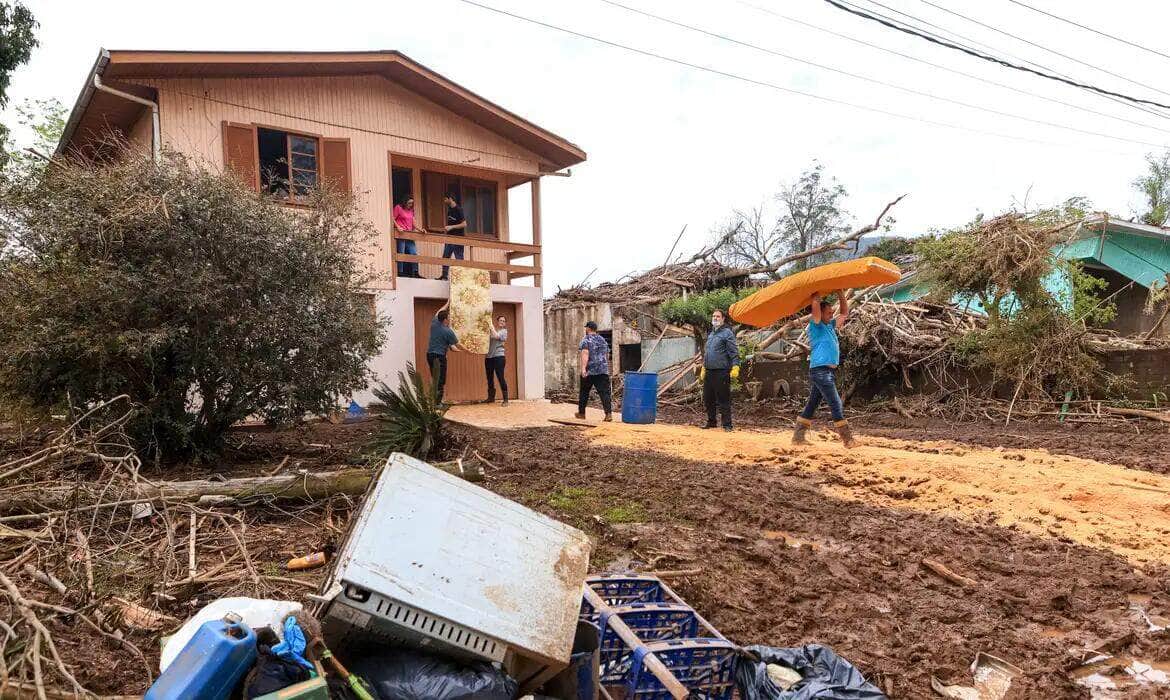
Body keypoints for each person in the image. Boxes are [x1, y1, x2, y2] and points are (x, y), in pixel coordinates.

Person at [792, 290, 855, 448]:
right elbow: (816, 312)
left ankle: (798, 437)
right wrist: (815, 299)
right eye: (828, 312)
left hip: (825, 371)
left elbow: (844, 313)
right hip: (820, 371)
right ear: (820, 312)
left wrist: (841, 293)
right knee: (835, 402)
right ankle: (848, 439)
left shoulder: (830, 326)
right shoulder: (816, 325)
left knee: (812, 404)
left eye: (831, 312)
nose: (831, 315)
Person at [700, 308, 740, 431]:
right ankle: (711, 421)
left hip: (721, 371)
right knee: (708, 398)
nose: (715, 318)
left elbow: (733, 351)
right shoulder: (711, 334)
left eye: (718, 316)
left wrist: (735, 366)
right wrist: (703, 367)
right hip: (709, 371)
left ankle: (727, 424)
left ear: (723, 319)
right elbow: (708, 353)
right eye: (713, 316)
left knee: (723, 398)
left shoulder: (727, 333)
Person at [426, 301, 468, 403]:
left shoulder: (434, 323)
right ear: (445, 320)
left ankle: (435, 400)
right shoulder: (448, 331)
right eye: (448, 317)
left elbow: (439, 311)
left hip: (430, 355)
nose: (449, 319)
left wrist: (448, 303)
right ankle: (437, 403)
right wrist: (467, 350)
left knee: (435, 378)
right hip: (439, 357)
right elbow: (457, 345)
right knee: (440, 380)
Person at [576, 321, 613, 422]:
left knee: (584, 392)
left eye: (586, 328)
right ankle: (608, 414)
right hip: (602, 371)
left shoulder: (586, 340)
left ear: (588, 328)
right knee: (605, 393)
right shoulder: (602, 340)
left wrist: (583, 369)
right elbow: (607, 355)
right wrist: (605, 367)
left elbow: (585, 353)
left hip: (590, 371)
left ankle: (581, 413)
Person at [392, 194, 421, 279]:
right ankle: (400, 272)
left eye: (412, 203)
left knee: (414, 253)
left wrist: (421, 230)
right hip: (401, 234)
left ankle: (415, 272)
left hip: (409, 235)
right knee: (401, 253)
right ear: (405, 202)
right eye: (409, 203)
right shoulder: (398, 208)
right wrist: (397, 227)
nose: (410, 205)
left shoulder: (411, 211)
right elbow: (392, 218)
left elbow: (414, 223)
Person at [482, 314, 509, 405]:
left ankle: (506, 400)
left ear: (505, 323)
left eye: (503, 321)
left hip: (499, 357)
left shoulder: (504, 331)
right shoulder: (492, 330)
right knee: (489, 378)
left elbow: (496, 336)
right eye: (500, 320)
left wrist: (490, 325)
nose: (502, 322)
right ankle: (491, 398)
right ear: (497, 322)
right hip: (489, 357)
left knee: (500, 377)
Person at [439, 192, 467, 281]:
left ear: (450, 198)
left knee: (459, 258)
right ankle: (444, 276)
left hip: (458, 238)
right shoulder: (449, 211)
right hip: (449, 238)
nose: (444, 201)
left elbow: (464, 224)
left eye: (445, 199)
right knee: (445, 257)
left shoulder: (459, 209)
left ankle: (461, 278)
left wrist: (451, 227)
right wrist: (446, 230)